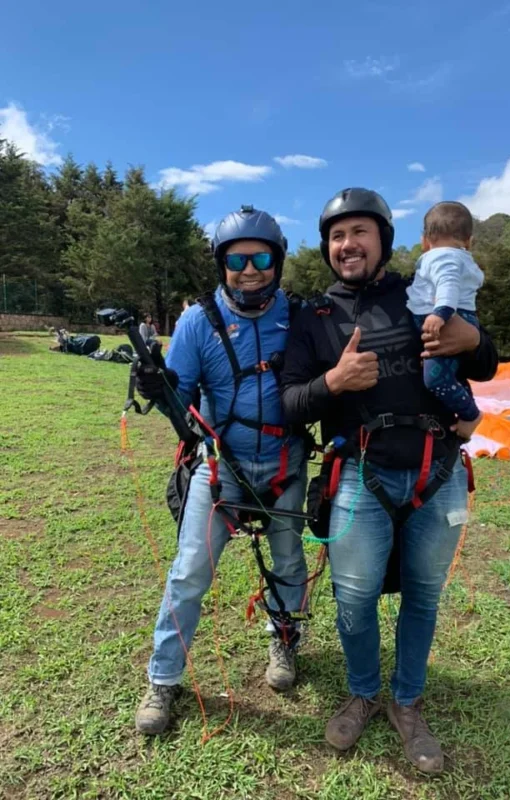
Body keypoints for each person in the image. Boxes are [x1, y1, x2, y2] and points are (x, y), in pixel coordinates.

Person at [280, 188, 498, 773]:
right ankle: (362, 692)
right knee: (353, 599)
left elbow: (485, 360)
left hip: (438, 471)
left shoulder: (419, 290)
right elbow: (288, 402)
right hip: (359, 475)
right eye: (336, 235)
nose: (346, 244)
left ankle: (407, 703)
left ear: (383, 240)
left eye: (359, 232)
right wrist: (335, 382)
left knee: (423, 597)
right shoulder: (313, 317)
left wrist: (472, 341)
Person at [133, 206, 309, 735]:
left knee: (288, 563)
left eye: (261, 258)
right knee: (189, 572)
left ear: (277, 262)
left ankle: (284, 643)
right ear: (222, 263)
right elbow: (181, 402)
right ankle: (163, 678)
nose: (250, 269)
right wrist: (156, 386)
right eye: (238, 259)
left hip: (285, 466)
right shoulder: (197, 321)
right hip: (220, 469)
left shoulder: (300, 317)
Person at [406, 201, 485, 440]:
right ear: (469, 240)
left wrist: (440, 313)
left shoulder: (442, 257)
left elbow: (448, 285)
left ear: (424, 240)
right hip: (455, 319)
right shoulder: (454, 257)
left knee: (436, 379)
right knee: (447, 373)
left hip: (449, 320)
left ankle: (470, 414)